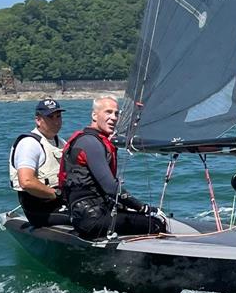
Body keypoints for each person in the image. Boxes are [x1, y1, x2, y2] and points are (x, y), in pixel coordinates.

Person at [61, 95, 166, 239]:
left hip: (87, 214)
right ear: (94, 115)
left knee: (139, 217)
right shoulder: (91, 143)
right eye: (108, 112)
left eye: (116, 113)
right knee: (156, 224)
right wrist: (143, 207)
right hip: (92, 218)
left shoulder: (91, 139)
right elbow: (111, 187)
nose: (114, 117)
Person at [9, 98, 71, 227]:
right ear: (38, 120)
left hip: (60, 203)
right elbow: (26, 182)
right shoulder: (29, 144)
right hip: (39, 208)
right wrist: (55, 194)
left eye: (58, 116)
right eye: (50, 117)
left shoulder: (61, 143)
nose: (56, 121)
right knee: (85, 218)